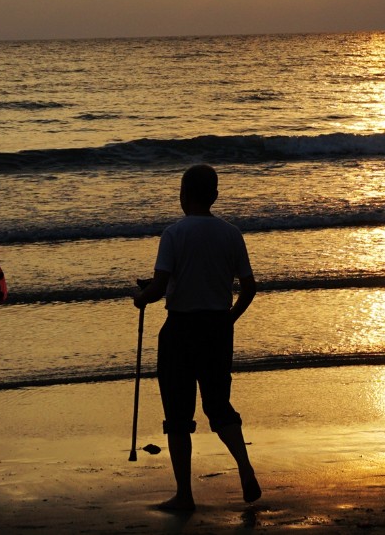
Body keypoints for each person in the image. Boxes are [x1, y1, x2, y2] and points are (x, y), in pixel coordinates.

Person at [132, 164, 260, 513]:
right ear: (215, 196)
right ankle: (245, 468)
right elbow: (249, 288)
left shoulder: (174, 234)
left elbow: (160, 287)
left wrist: (141, 297)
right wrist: (228, 320)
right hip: (217, 329)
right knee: (218, 407)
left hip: (180, 330)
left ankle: (185, 495)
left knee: (178, 415)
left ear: (182, 195)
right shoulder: (231, 234)